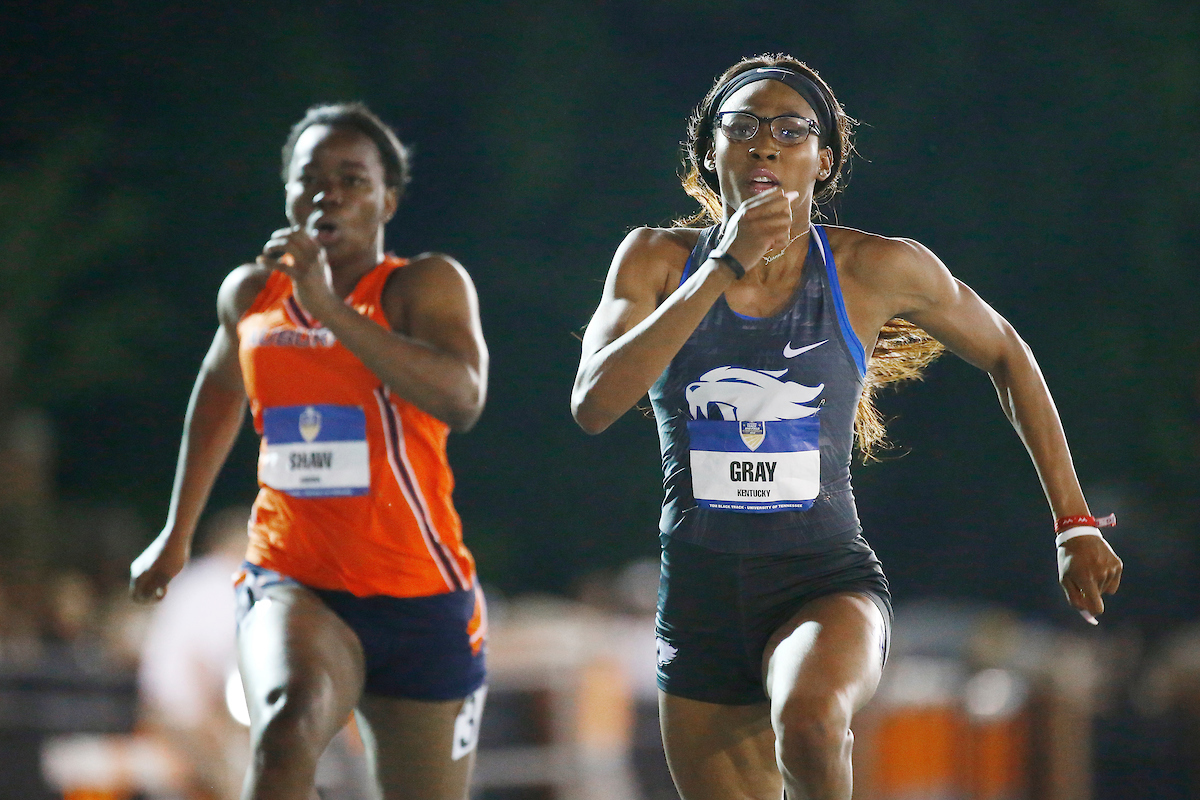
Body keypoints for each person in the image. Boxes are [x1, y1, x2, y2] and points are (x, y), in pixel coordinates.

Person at [571, 54, 1123, 800]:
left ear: (823, 160)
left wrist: (1074, 521)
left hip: (823, 583)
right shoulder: (654, 260)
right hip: (700, 603)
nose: (765, 145)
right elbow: (595, 404)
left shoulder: (872, 268)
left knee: (810, 720)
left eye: (790, 130)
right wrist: (721, 267)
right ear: (710, 151)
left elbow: (1007, 352)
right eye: (743, 126)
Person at [130, 102, 490, 800]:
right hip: (295, 578)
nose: (329, 193)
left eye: (351, 179)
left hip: (420, 592)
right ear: (289, 194)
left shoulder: (422, 285)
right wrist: (177, 533)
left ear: (388, 200)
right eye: (311, 178)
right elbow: (217, 396)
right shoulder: (251, 294)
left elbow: (462, 399)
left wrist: (328, 308)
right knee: (286, 730)